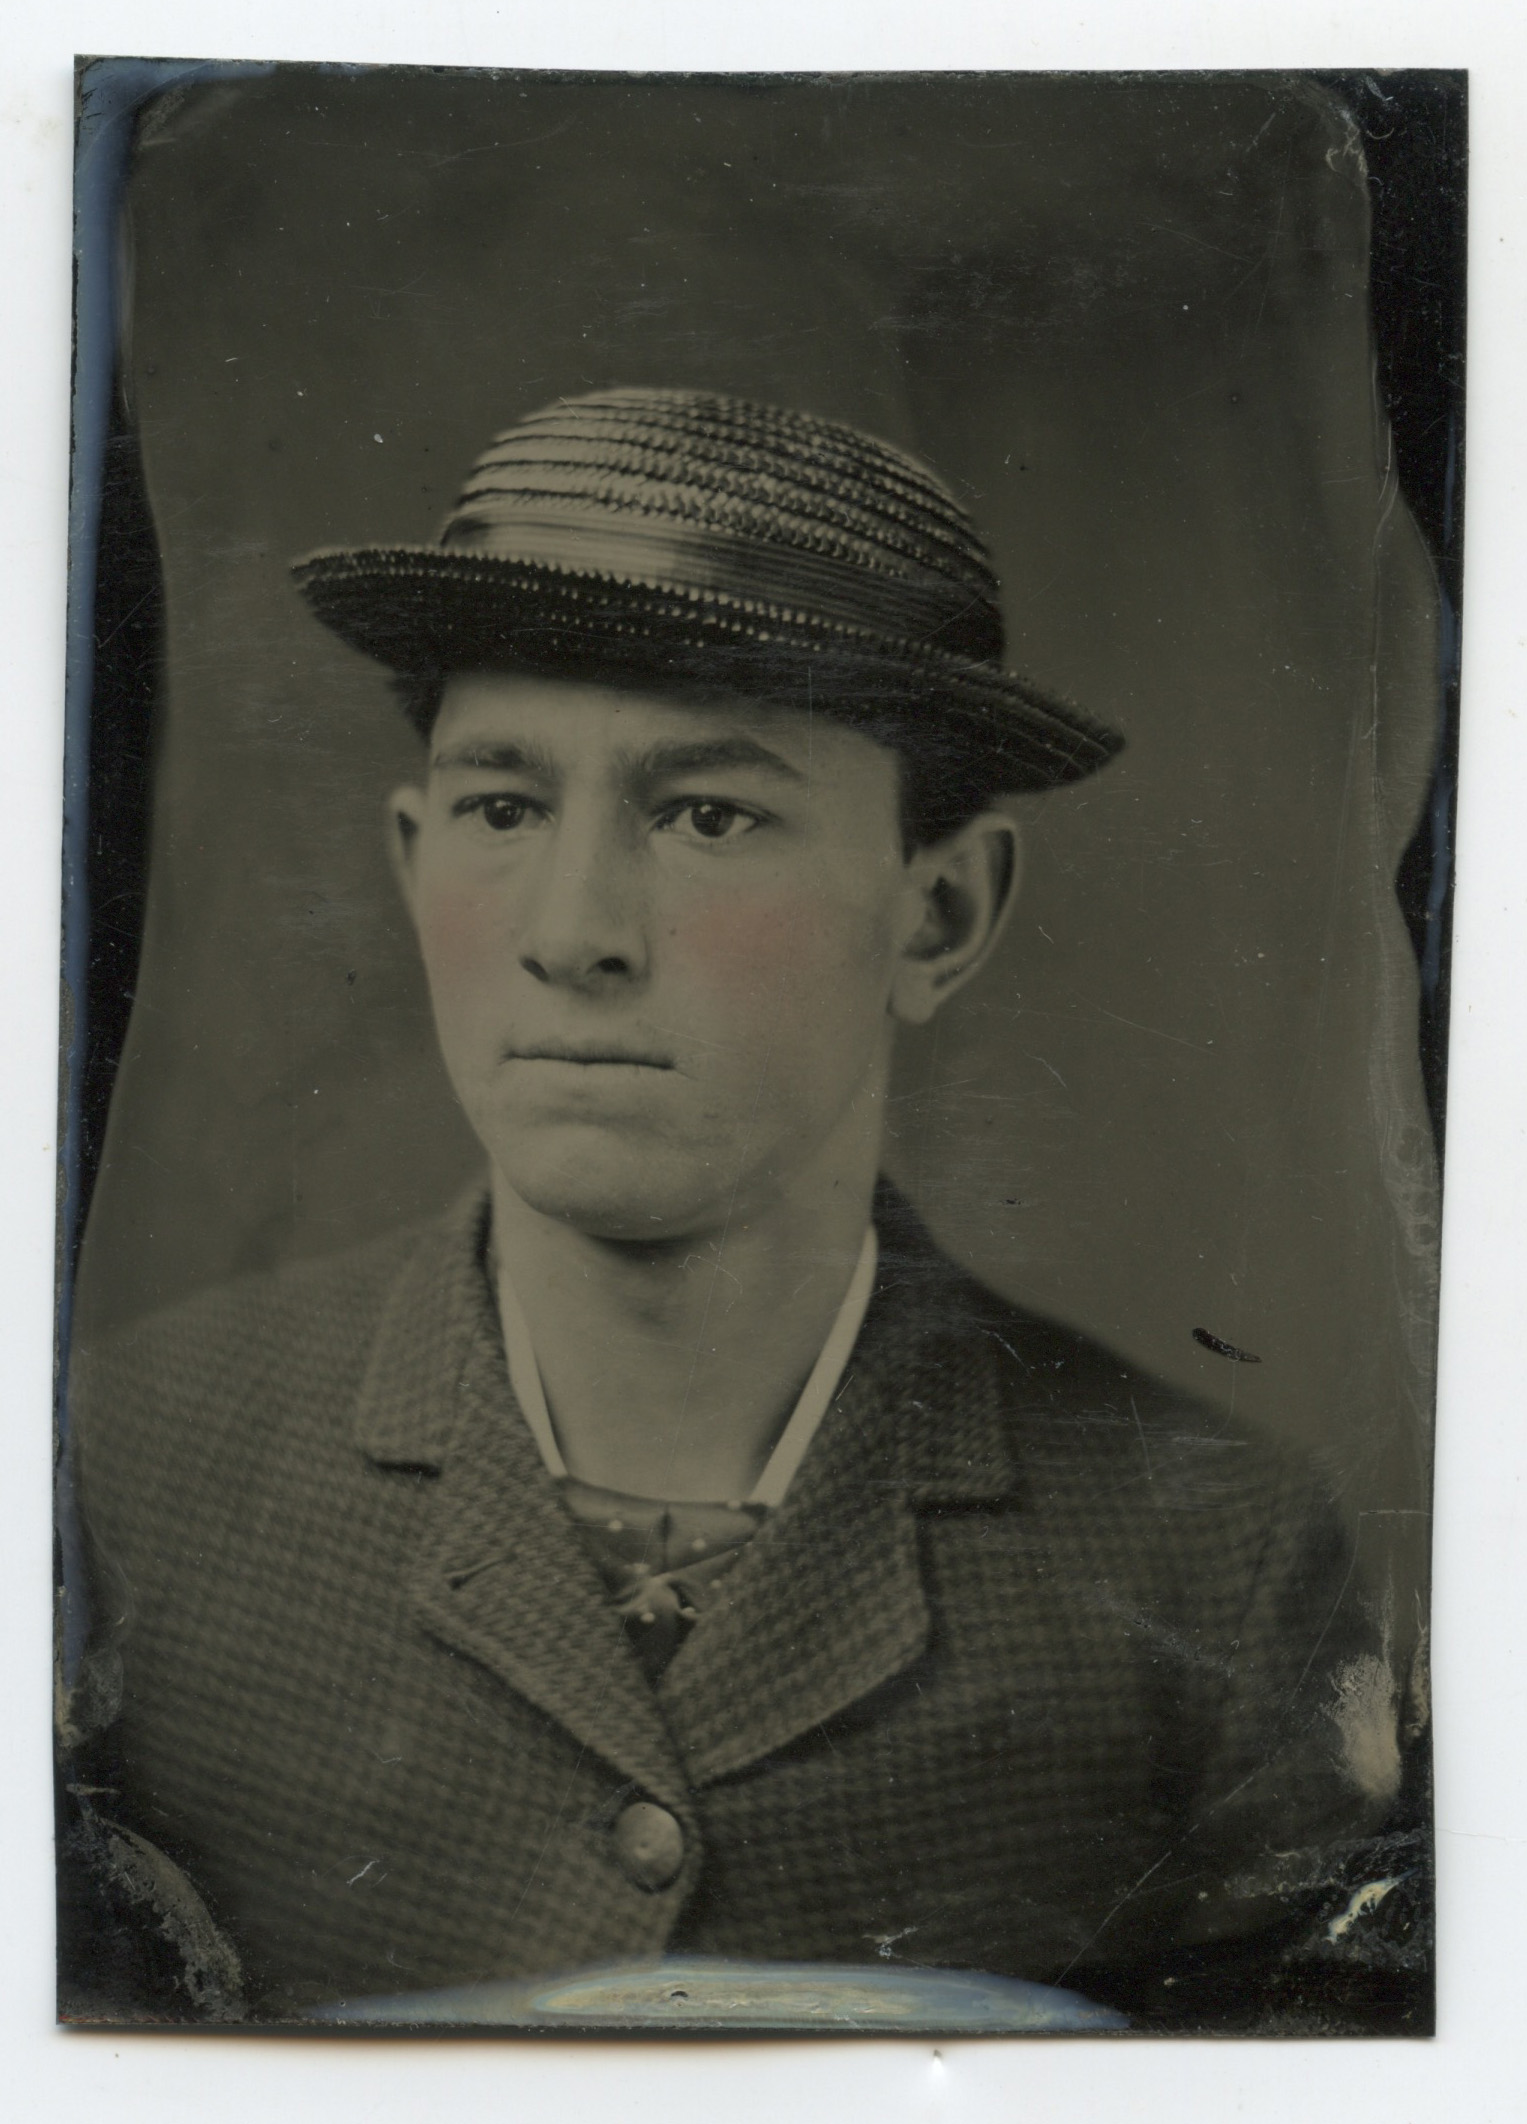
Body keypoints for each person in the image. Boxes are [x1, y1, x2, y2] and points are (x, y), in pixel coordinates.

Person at [64, 388, 1406, 2028]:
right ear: (414, 865)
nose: (573, 932)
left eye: (711, 814)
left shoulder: (1223, 1557)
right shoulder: (119, 1463)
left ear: (939, 913)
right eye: (502, 808)